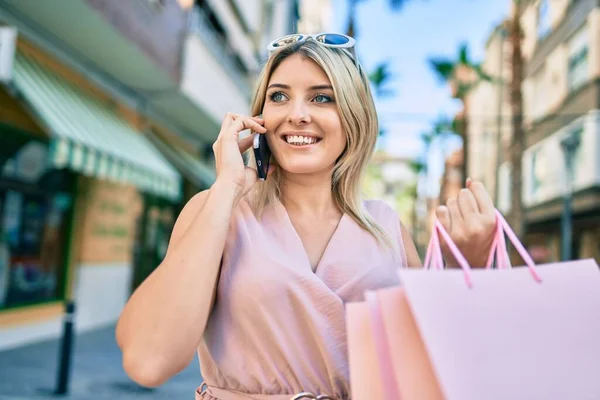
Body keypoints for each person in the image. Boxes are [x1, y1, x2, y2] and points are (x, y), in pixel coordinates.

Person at [116, 33, 497, 400]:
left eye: (321, 98)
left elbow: (442, 358)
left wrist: (473, 264)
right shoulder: (218, 208)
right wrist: (227, 187)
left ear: (354, 117)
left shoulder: (386, 226)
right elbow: (150, 362)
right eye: (278, 96)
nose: (297, 115)